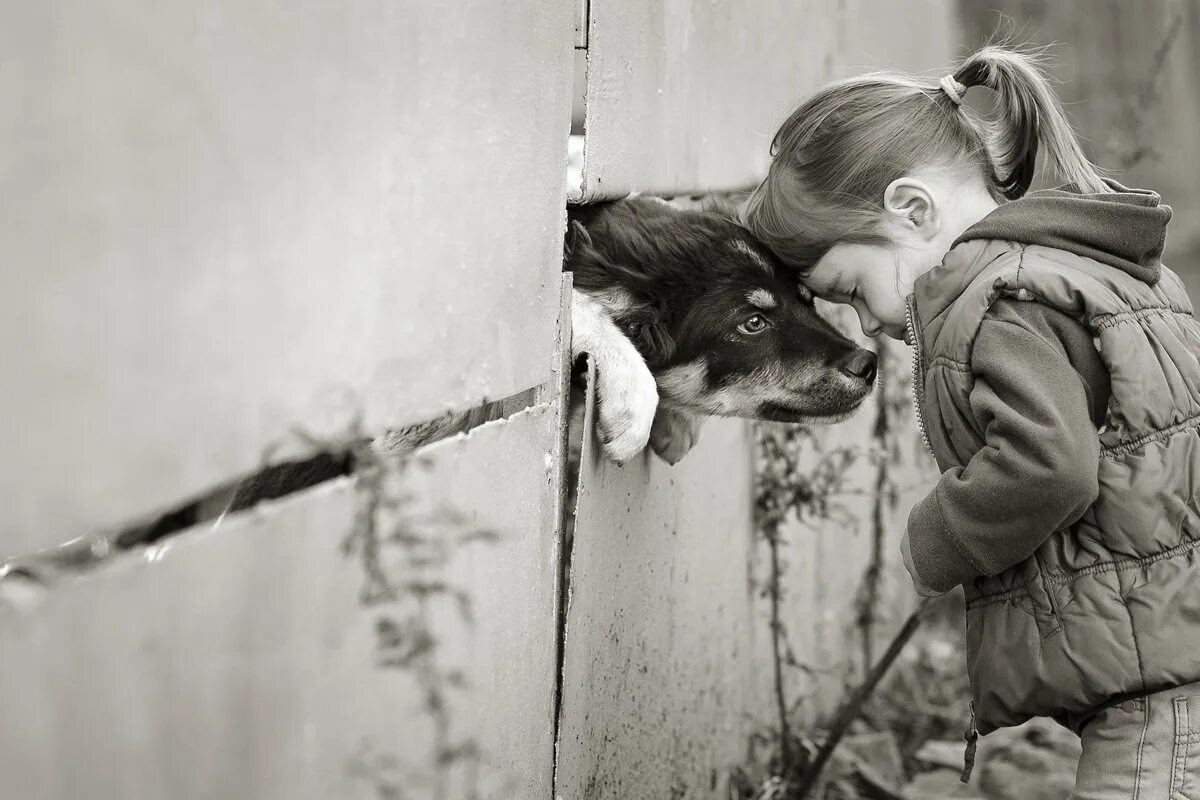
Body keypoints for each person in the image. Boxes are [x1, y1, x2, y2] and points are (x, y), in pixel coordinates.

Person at [734, 44, 1200, 799]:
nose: (864, 320)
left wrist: (939, 536)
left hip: (1165, 681)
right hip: (1168, 646)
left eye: (850, 288)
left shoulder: (1002, 302)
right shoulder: (1074, 268)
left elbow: (1050, 464)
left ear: (912, 209)